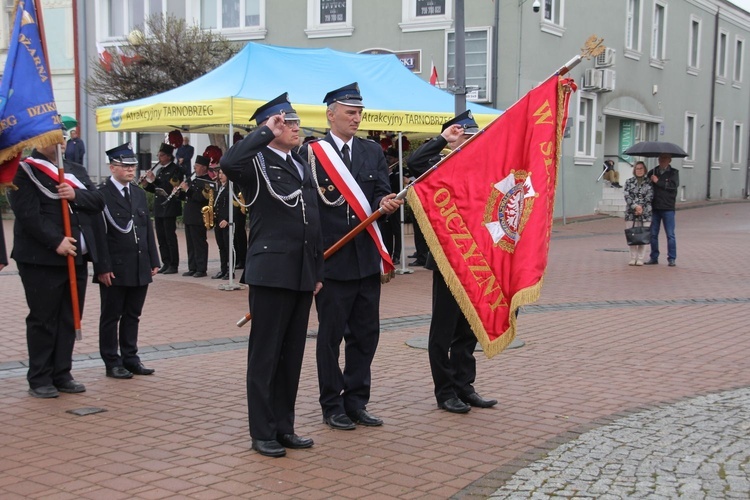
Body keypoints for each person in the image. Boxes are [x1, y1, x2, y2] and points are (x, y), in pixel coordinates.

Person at [221, 93, 324, 458]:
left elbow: (314, 222)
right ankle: (262, 431)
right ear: (270, 125)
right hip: (271, 271)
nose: (295, 128)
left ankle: (285, 427)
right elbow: (229, 163)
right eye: (287, 122)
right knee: (265, 355)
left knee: (291, 355)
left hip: (300, 273)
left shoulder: (299, 162)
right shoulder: (257, 162)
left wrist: (317, 271)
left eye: (295, 122)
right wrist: (264, 133)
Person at [299, 82, 402, 430]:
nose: (357, 118)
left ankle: (356, 401)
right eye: (350, 112)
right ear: (331, 114)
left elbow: (381, 194)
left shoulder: (372, 151)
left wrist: (384, 205)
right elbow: (307, 210)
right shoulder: (312, 153)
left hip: (364, 260)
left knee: (365, 335)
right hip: (330, 262)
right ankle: (332, 404)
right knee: (330, 338)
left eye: (360, 113)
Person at [407, 110, 498, 414]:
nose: (471, 143)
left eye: (474, 138)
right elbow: (414, 164)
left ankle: (464, 385)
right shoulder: (440, 165)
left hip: (477, 259)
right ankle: (444, 391)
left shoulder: (485, 169)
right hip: (448, 259)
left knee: (468, 328)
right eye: (465, 137)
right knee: (442, 330)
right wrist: (442, 140)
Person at [9, 142, 105, 398]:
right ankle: (40, 378)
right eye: (53, 138)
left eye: (61, 137)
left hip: (75, 258)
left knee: (69, 317)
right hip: (41, 259)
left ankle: (62, 373)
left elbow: (96, 201)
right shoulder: (24, 171)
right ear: (39, 142)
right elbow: (28, 214)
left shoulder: (75, 170)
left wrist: (75, 195)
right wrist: (56, 241)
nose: (59, 143)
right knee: (44, 319)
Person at [95, 144, 160, 379]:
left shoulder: (138, 193)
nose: (131, 170)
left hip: (138, 263)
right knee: (112, 315)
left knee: (133, 314)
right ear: (112, 167)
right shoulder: (101, 195)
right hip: (115, 266)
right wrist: (102, 266)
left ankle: (131, 358)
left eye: (133, 166)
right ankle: (112, 361)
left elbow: (146, 227)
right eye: (125, 166)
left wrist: (153, 258)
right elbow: (98, 234)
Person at [141, 143, 184, 274]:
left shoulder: (176, 169)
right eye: (158, 155)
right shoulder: (160, 170)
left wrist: (155, 180)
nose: (159, 158)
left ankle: (173, 264)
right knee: (161, 237)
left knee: (169, 236)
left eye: (161, 155)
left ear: (168, 156)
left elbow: (171, 187)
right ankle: (165, 262)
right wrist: (146, 184)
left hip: (169, 207)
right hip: (159, 207)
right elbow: (156, 190)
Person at [179, 155, 212, 278]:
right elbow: (189, 197)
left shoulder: (207, 182)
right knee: (191, 244)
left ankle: (201, 268)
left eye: (197, 166)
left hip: (199, 217)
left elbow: (201, 198)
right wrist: (179, 193)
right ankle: (192, 267)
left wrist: (187, 189)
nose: (195, 168)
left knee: (199, 244)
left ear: (204, 168)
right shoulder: (195, 180)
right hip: (189, 217)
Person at [645, 154, 679, 266]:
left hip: (668, 207)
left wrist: (658, 181)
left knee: (670, 234)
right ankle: (654, 257)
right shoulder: (653, 171)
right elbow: (647, 184)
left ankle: (672, 258)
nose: (662, 161)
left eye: (665, 159)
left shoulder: (674, 172)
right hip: (655, 207)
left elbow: (673, 186)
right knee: (653, 234)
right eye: (660, 159)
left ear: (669, 160)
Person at [623, 161, 653, 266]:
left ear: (644, 170)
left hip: (645, 213)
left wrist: (641, 207)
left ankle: (640, 258)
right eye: (637, 168)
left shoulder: (649, 182)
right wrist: (635, 206)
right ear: (634, 170)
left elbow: (650, 196)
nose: (639, 170)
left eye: (641, 168)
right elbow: (627, 195)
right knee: (632, 235)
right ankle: (632, 257)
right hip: (631, 213)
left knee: (642, 236)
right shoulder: (629, 182)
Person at [379, 148, 403, 264]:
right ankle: (388, 252)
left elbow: (397, 189)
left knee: (397, 231)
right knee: (386, 231)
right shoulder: (384, 176)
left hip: (396, 205)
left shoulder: (398, 174)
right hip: (386, 205)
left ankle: (397, 255)